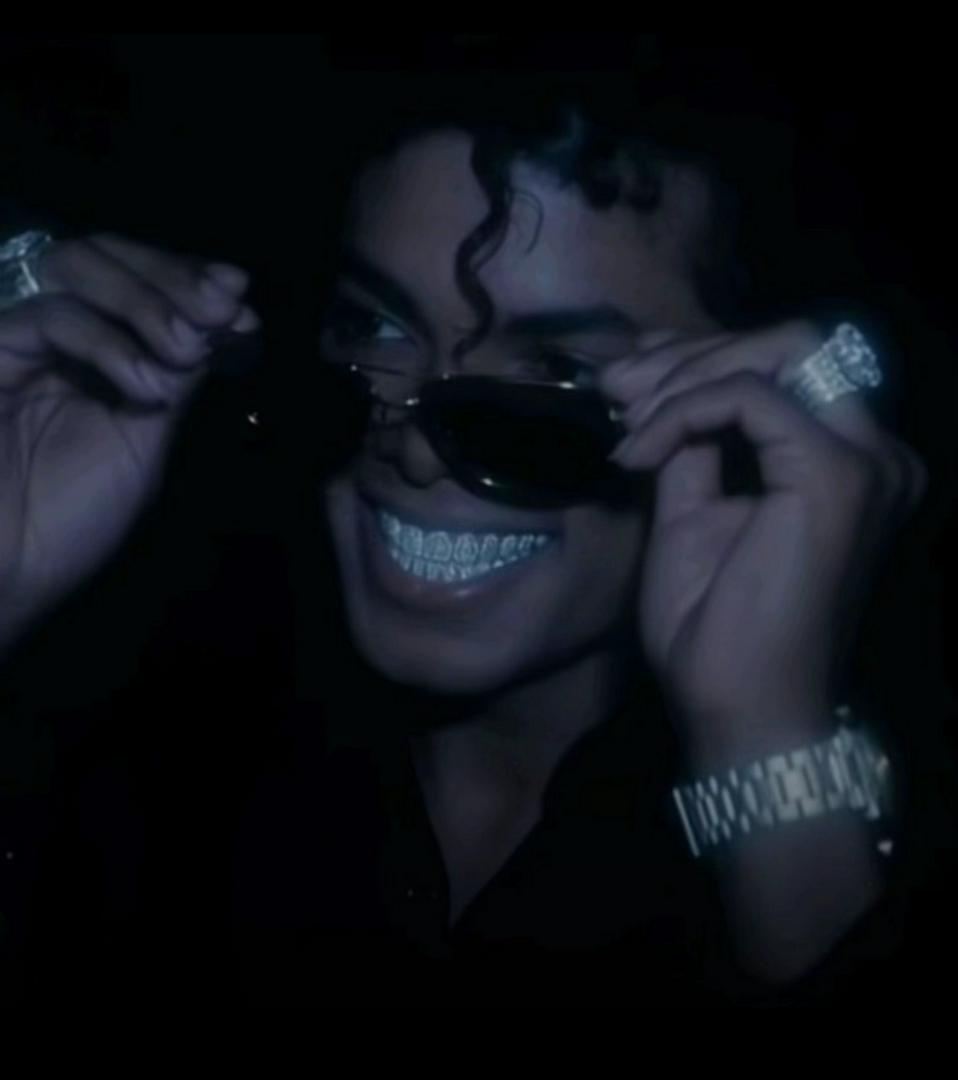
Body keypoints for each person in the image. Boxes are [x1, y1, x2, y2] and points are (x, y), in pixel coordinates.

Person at [0, 46, 950, 1008]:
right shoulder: (151, 731)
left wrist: (760, 740)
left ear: (754, 410)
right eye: (375, 330)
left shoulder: (907, 795)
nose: (415, 451)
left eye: (556, 377)